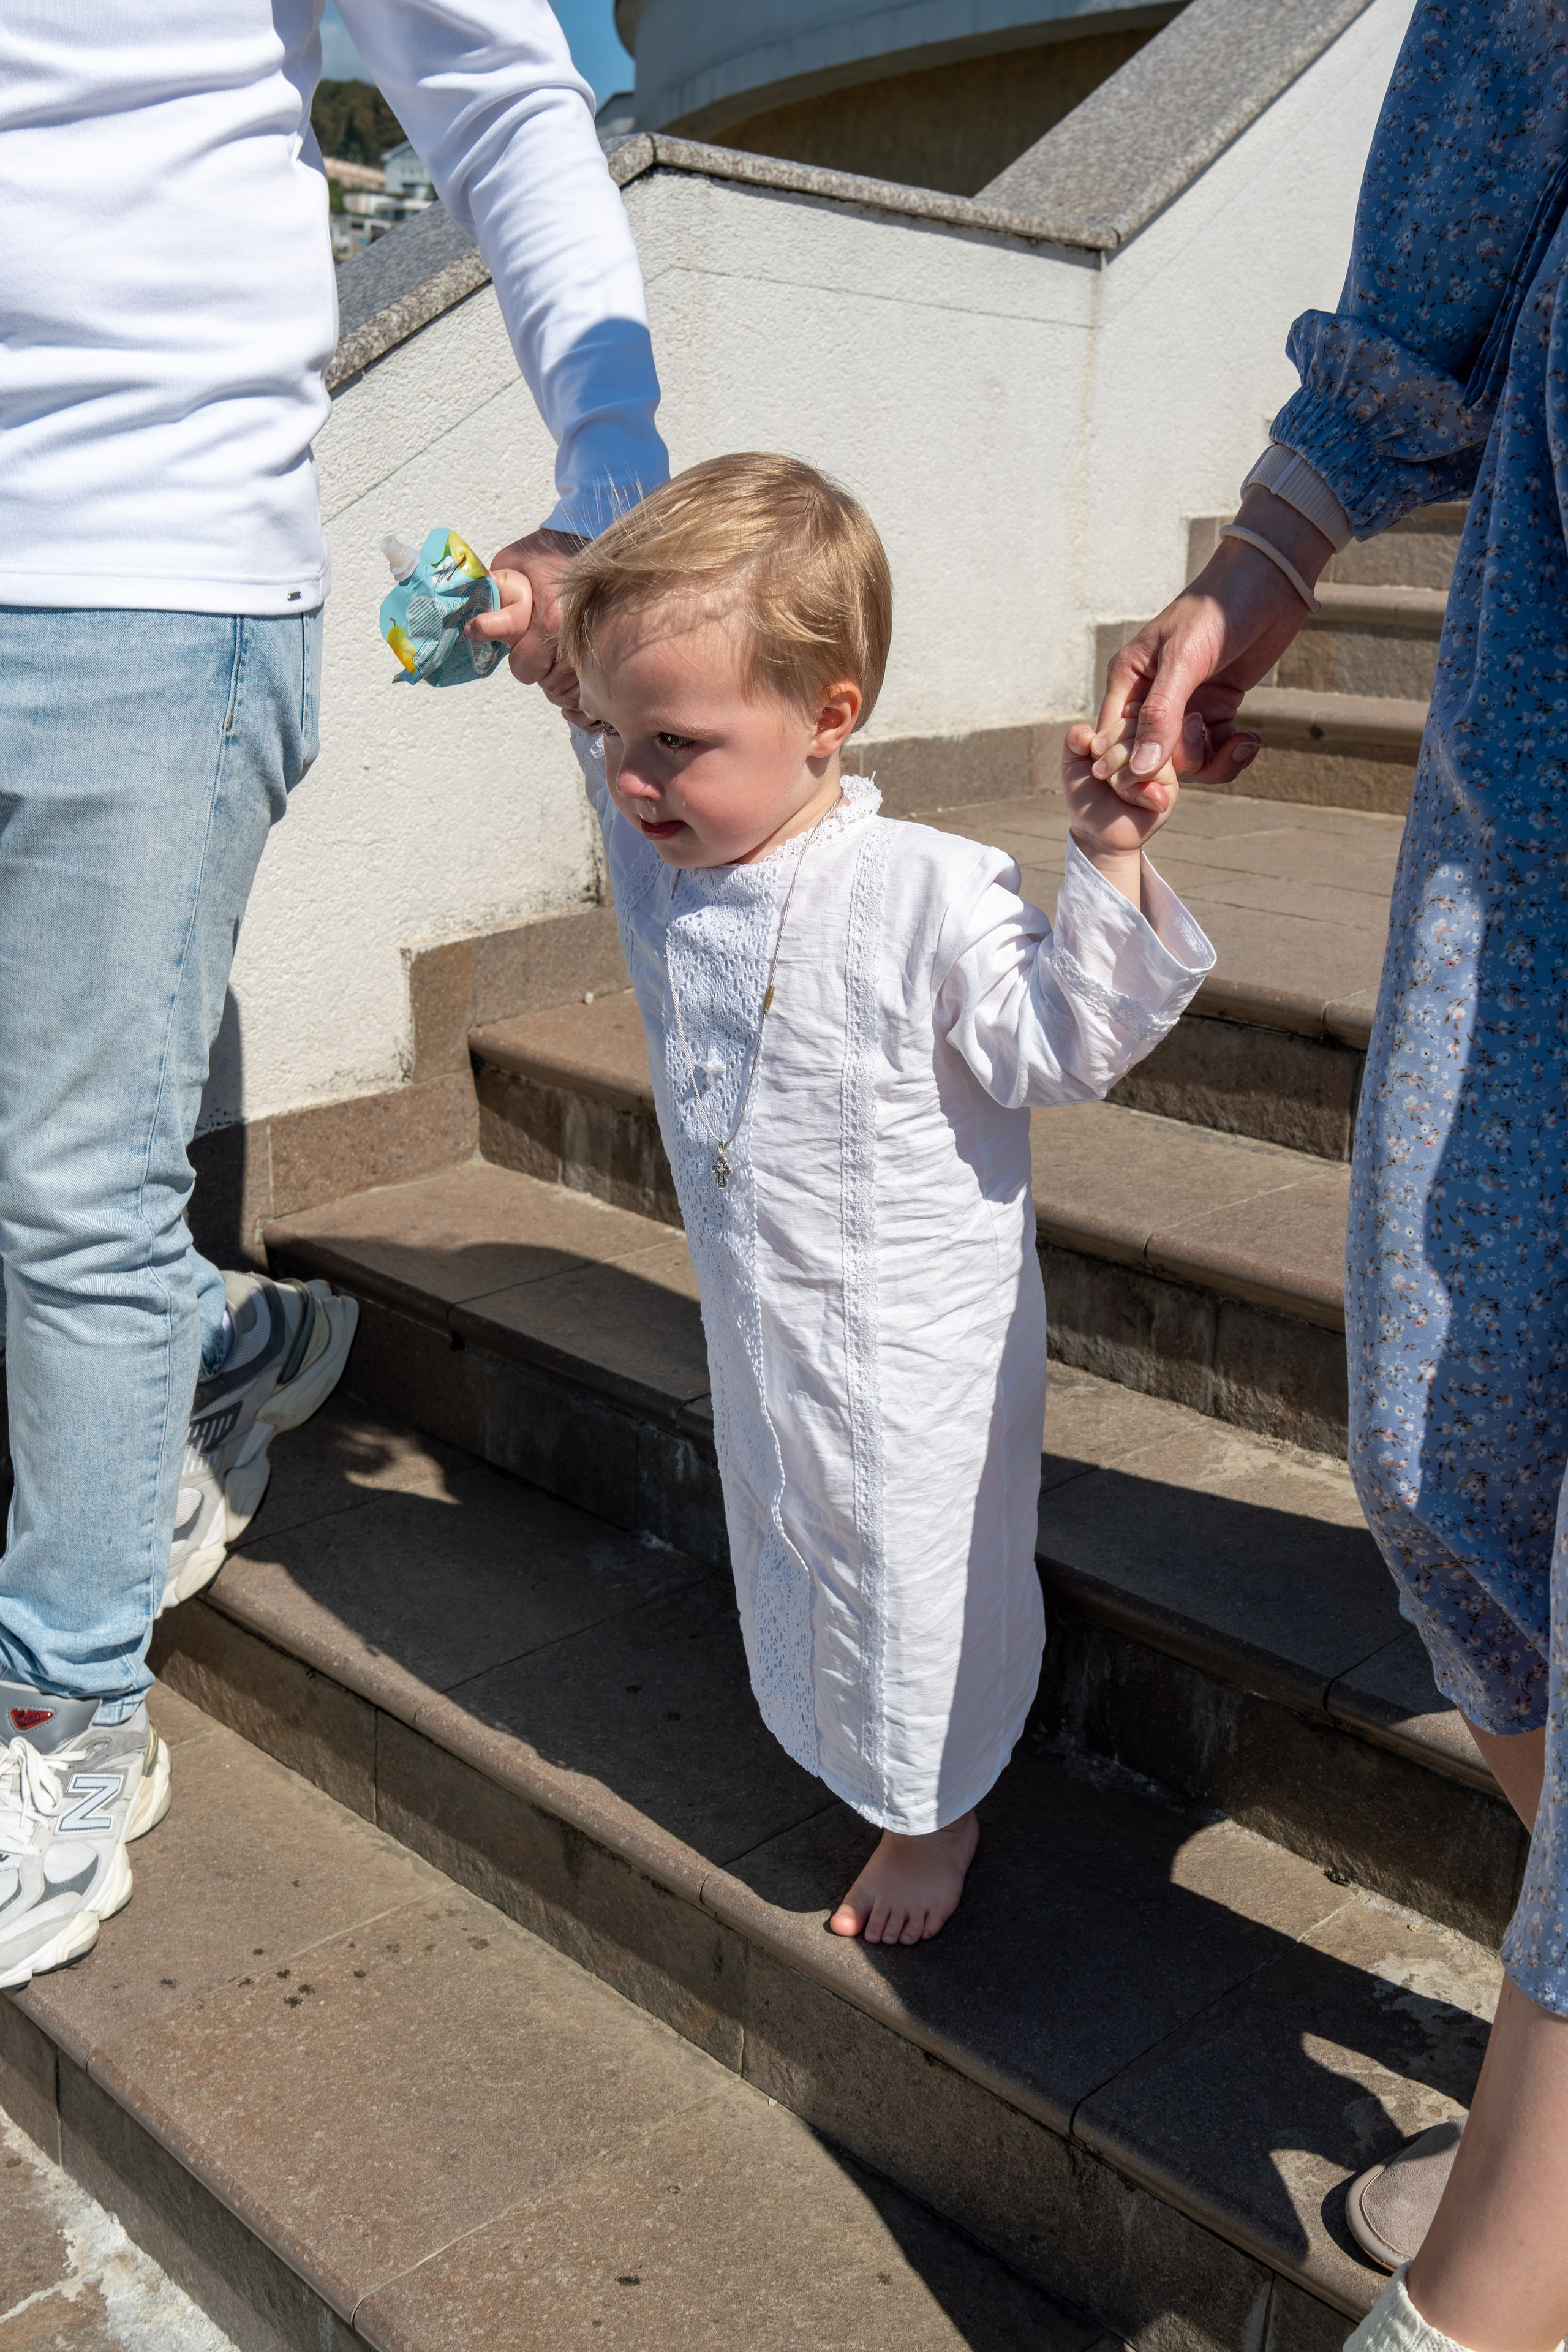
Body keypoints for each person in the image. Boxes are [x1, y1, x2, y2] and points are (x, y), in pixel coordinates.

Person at [0, 1, 668, 1994]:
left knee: (65, 1177)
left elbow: (501, 92)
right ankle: (220, 1346)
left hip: (140, 569)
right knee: (59, 1169)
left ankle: (64, 1724)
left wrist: (613, 465)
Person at [1086, 5, 1568, 2345]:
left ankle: (1505, 2279)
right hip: (1556, 650)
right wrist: (1284, 532)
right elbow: (1505, 68)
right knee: (1441, 1443)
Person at [548, 453, 1213, 1942]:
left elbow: (1064, 1041)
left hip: (910, 1341)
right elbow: (589, 689)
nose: (633, 782)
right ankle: (833, 1730)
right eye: (612, 738)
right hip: (765, 1307)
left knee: (912, 1568)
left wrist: (1103, 851)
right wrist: (543, 617)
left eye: (675, 743)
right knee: (797, 1527)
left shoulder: (926, 888)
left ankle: (933, 1810)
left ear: (826, 717)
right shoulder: (675, 863)